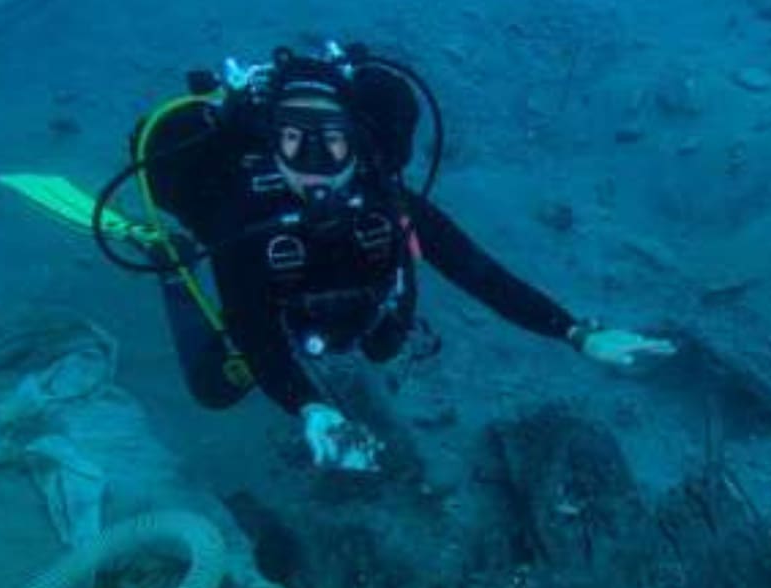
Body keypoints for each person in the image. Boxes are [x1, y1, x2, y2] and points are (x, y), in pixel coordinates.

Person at [107, 42, 674, 471]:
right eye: (291, 142)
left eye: (330, 142)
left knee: (382, 345)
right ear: (268, 144)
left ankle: (368, 336)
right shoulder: (244, 221)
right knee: (214, 390)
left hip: (360, 304)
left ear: (359, 142)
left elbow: (484, 277)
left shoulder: (391, 207)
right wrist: (311, 407)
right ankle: (172, 267)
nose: (312, 164)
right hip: (280, 313)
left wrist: (579, 333)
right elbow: (256, 335)